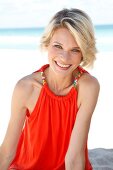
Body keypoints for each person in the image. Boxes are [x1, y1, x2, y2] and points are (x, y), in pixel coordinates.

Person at [0, 8, 100, 170]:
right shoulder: (25, 88)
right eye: (58, 46)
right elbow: (7, 152)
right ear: (47, 44)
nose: (64, 58)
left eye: (75, 50)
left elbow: (74, 158)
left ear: (84, 53)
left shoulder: (88, 87)